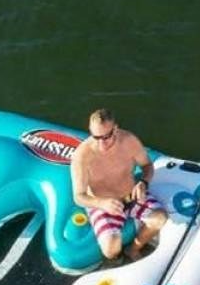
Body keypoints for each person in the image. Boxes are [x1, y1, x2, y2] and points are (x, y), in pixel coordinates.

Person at [70, 108, 168, 262]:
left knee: (160, 218)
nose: (101, 143)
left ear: (115, 128)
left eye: (106, 136)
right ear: (90, 131)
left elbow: (147, 165)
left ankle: (134, 249)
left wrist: (143, 182)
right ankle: (116, 259)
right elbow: (79, 196)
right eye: (96, 137)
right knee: (110, 249)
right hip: (103, 204)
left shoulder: (129, 141)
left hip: (131, 196)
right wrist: (102, 203)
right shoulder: (82, 156)